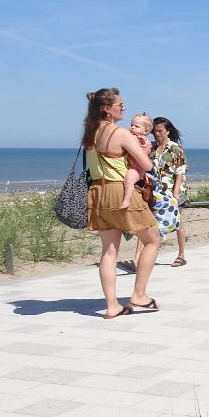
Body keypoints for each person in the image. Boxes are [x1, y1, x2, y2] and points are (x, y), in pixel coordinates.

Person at [83, 88, 161, 319]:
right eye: (120, 104)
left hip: (98, 191)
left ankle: (111, 306)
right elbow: (146, 165)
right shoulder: (120, 133)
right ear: (107, 109)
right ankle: (139, 294)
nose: (124, 108)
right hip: (119, 189)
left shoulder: (90, 134)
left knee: (108, 251)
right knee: (152, 239)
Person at [151, 116, 188, 266]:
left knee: (178, 222)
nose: (157, 133)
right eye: (155, 131)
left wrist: (176, 193)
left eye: (160, 131)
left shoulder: (175, 148)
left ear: (168, 131)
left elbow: (180, 172)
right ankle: (151, 254)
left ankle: (181, 255)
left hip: (172, 190)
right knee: (155, 222)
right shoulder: (152, 147)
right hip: (156, 191)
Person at [118, 113, 154, 209]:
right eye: (131, 125)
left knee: (129, 179)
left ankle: (126, 200)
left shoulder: (142, 140)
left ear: (145, 131)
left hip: (137, 169)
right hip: (130, 165)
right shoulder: (133, 136)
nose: (133, 128)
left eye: (136, 126)